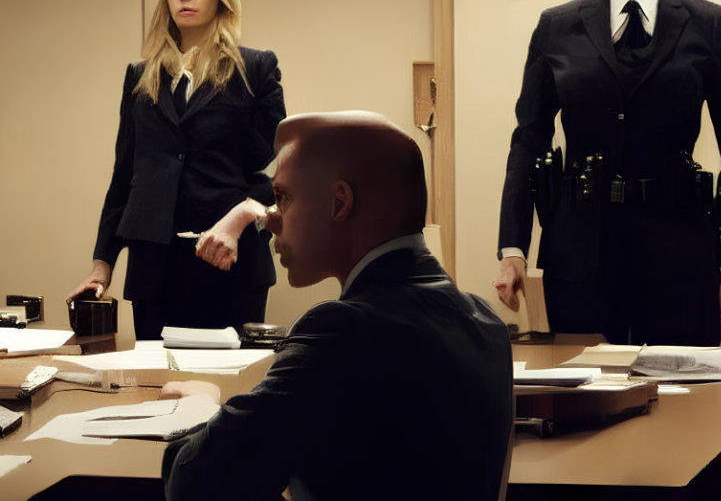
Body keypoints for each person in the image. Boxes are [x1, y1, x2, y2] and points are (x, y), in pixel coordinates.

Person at [160, 111, 514, 501]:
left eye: (282, 198)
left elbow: (194, 483)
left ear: (339, 202)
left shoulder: (340, 331)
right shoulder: (487, 324)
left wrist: (201, 406)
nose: (271, 221)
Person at [494, 0, 721, 346]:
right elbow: (527, 139)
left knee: (686, 405)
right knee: (589, 403)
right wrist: (514, 246)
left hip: (679, 248)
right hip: (583, 251)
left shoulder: (707, 24)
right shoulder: (558, 28)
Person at [68, 0, 286, 340]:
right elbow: (125, 177)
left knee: (226, 391)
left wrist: (245, 217)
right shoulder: (141, 76)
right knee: (158, 390)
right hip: (155, 268)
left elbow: (281, 166)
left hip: (229, 263)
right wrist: (103, 264)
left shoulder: (255, 68)